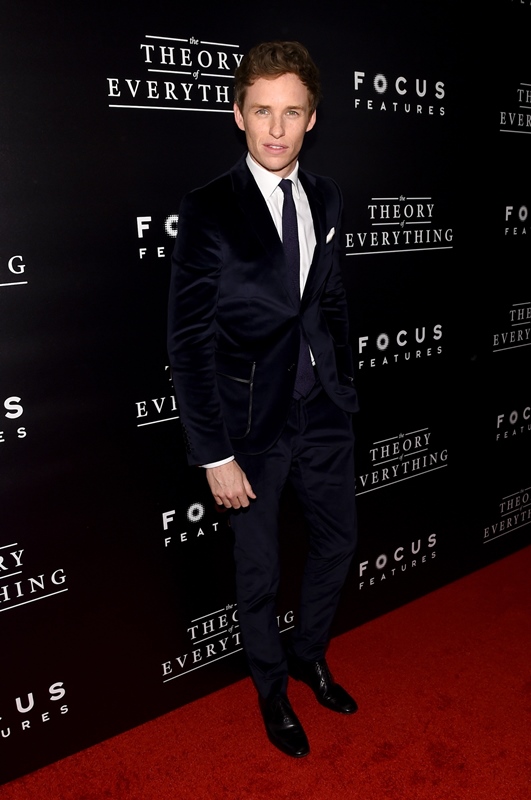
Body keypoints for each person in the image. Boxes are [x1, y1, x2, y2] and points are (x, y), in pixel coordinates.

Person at [168, 41, 359, 758]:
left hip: (322, 411)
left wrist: (341, 381)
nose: (276, 129)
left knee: (338, 543)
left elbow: (329, 299)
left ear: (312, 118)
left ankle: (309, 655)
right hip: (248, 427)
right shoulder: (209, 207)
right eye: (261, 111)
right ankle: (272, 690)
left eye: (291, 113)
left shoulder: (326, 195)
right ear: (238, 114)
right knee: (259, 571)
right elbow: (188, 340)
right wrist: (213, 453)